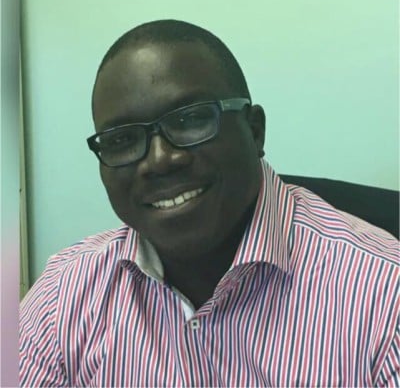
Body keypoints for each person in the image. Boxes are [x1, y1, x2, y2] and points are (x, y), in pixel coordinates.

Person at [20, 19, 399, 387]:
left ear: (254, 130)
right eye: (122, 140)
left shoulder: (383, 293)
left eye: (190, 120)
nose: (160, 160)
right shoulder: (63, 297)